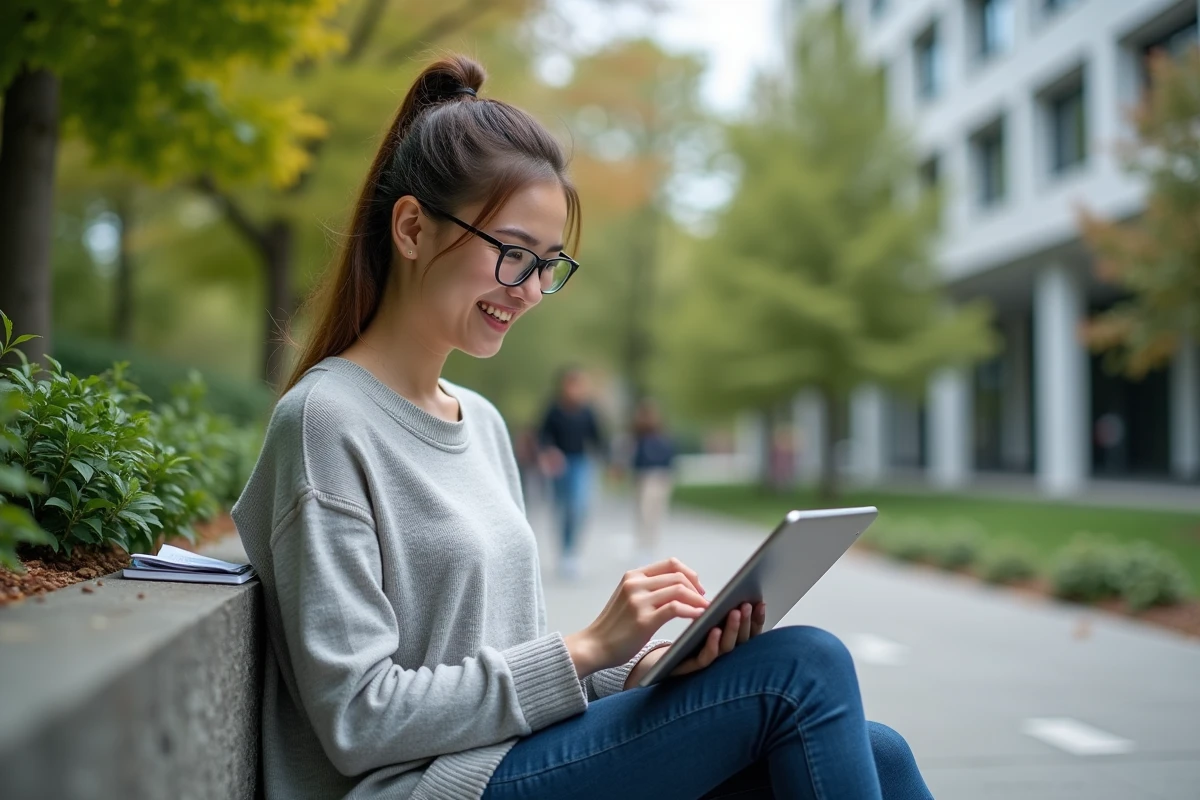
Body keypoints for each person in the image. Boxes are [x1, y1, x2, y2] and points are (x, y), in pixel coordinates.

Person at [231, 54, 933, 800]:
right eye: (511, 254)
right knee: (805, 670)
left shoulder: (484, 423)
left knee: (877, 751)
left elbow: (501, 657)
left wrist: (636, 667)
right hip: (427, 789)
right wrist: (587, 645)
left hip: (509, 759)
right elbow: (359, 719)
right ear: (411, 227)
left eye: (548, 264)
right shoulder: (325, 421)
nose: (531, 290)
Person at [538, 366, 604, 579]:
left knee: (580, 506)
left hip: (581, 463)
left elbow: (598, 438)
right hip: (561, 465)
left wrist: (612, 462)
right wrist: (549, 452)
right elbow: (542, 436)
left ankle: (573, 551)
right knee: (564, 508)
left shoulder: (587, 411)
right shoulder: (554, 410)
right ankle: (565, 552)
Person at [631, 397, 676, 565]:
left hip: (661, 475)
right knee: (644, 512)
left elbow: (669, 454)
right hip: (645, 476)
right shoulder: (639, 435)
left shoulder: (661, 434)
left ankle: (650, 545)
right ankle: (644, 546)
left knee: (656, 512)